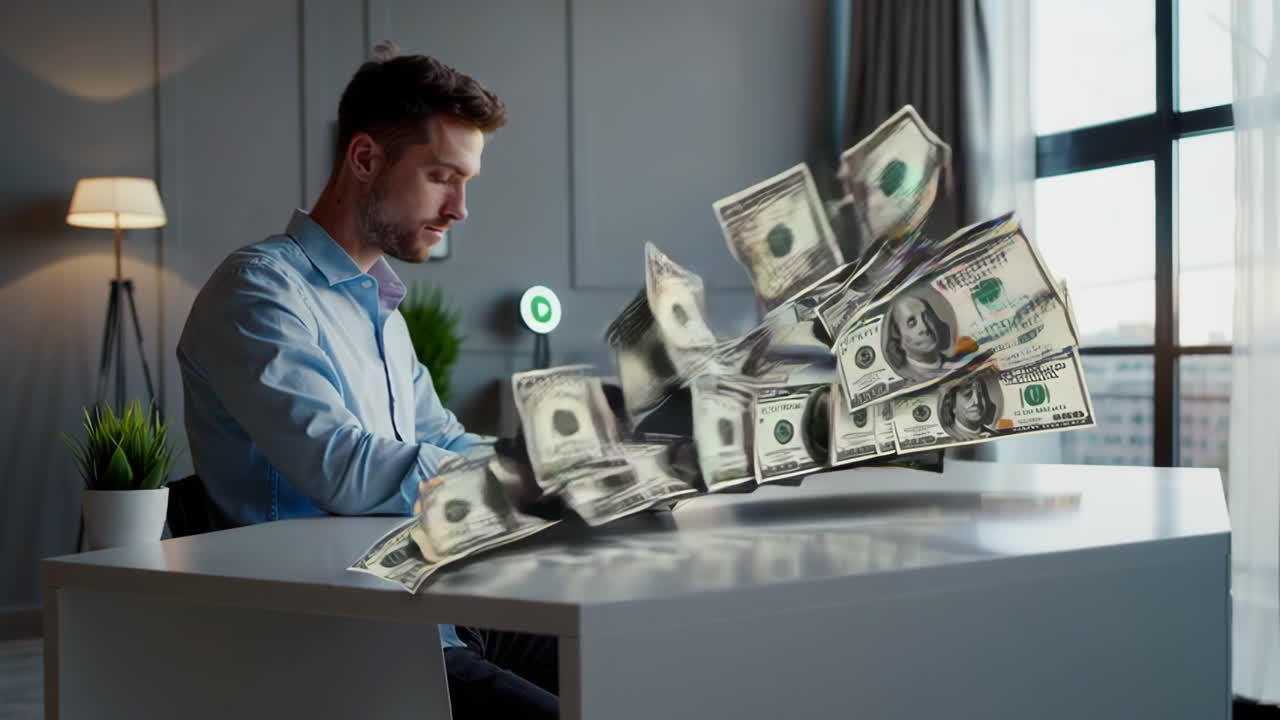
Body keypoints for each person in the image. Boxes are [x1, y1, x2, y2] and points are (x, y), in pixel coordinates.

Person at [176, 42, 559, 719]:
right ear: (364, 159)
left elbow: (438, 435)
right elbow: (341, 466)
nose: (460, 208)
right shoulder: (260, 292)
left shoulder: (380, 306)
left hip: (433, 608)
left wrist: (555, 466)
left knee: (640, 662)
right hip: (340, 640)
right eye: (443, 176)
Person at [883, 292, 955, 380]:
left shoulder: (955, 363)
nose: (925, 328)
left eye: (926, 316)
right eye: (912, 323)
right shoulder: (907, 377)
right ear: (898, 339)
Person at [939, 374, 998, 442]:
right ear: (952, 405)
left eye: (980, 394)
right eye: (967, 395)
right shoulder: (947, 441)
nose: (976, 401)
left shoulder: (995, 435)